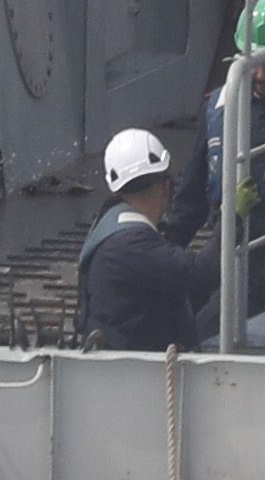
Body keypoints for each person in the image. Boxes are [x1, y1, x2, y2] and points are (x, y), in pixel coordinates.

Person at [74, 123, 213, 351]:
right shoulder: (132, 243)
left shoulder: (112, 224)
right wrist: (235, 220)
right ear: (167, 185)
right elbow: (196, 273)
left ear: (115, 190)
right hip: (134, 374)